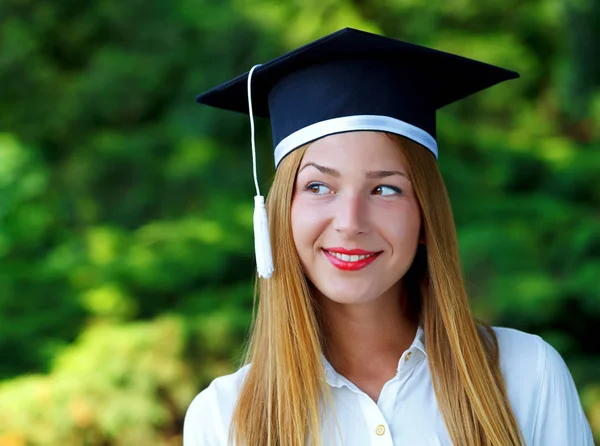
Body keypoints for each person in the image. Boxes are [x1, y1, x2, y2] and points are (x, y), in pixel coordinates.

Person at [183, 28, 595, 446]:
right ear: (280, 212)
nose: (350, 222)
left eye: (385, 189)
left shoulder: (527, 376)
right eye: (318, 187)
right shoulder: (223, 419)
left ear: (424, 214)